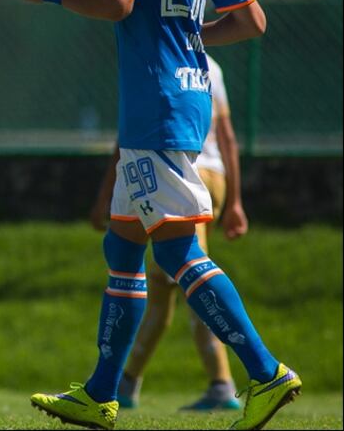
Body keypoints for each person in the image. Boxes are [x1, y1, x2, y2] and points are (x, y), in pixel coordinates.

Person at [21, 0, 299, 431]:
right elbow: (253, 21)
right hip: (186, 96)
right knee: (121, 245)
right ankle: (100, 391)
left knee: (175, 251)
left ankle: (265, 372)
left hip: (155, 107)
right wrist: (191, 38)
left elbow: (116, 1)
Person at [90, 54, 251, 411]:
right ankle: (125, 383)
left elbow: (130, 136)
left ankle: (226, 382)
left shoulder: (153, 57)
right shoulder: (211, 65)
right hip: (215, 177)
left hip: (179, 172)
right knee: (162, 287)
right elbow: (226, 137)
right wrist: (236, 200)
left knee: (189, 273)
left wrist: (104, 195)